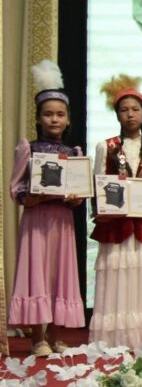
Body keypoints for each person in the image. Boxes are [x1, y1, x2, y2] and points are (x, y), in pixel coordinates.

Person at [8, 61, 85, 355]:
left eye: (60, 114)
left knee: (58, 274)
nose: (54, 119)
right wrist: (33, 196)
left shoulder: (73, 152)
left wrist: (76, 198)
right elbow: (16, 189)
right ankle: (37, 337)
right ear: (39, 119)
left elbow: (80, 192)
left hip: (62, 221)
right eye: (48, 114)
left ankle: (56, 336)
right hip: (37, 220)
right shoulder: (29, 148)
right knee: (37, 272)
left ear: (68, 120)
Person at [91, 75, 142, 349]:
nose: (130, 114)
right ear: (117, 115)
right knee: (117, 276)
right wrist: (103, 209)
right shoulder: (106, 146)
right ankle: (114, 339)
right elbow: (98, 185)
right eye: (124, 110)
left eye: (135, 109)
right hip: (117, 226)